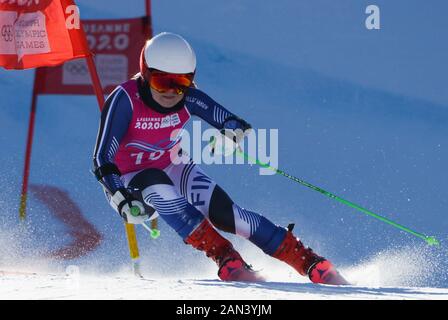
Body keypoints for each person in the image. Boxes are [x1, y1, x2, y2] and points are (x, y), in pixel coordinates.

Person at [93, 32, 348, 285]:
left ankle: (308, 261)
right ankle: (225, 256)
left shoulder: (189, 97)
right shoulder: (125, 99)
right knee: (154, 180)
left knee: (227, 214)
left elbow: (233, 122)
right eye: (162, 82)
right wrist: (119, 195)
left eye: (181, 82)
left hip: (173, 166)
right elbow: (102, 156)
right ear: (146, 74)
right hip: (129, 187)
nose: (172, 92)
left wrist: (231, 134)